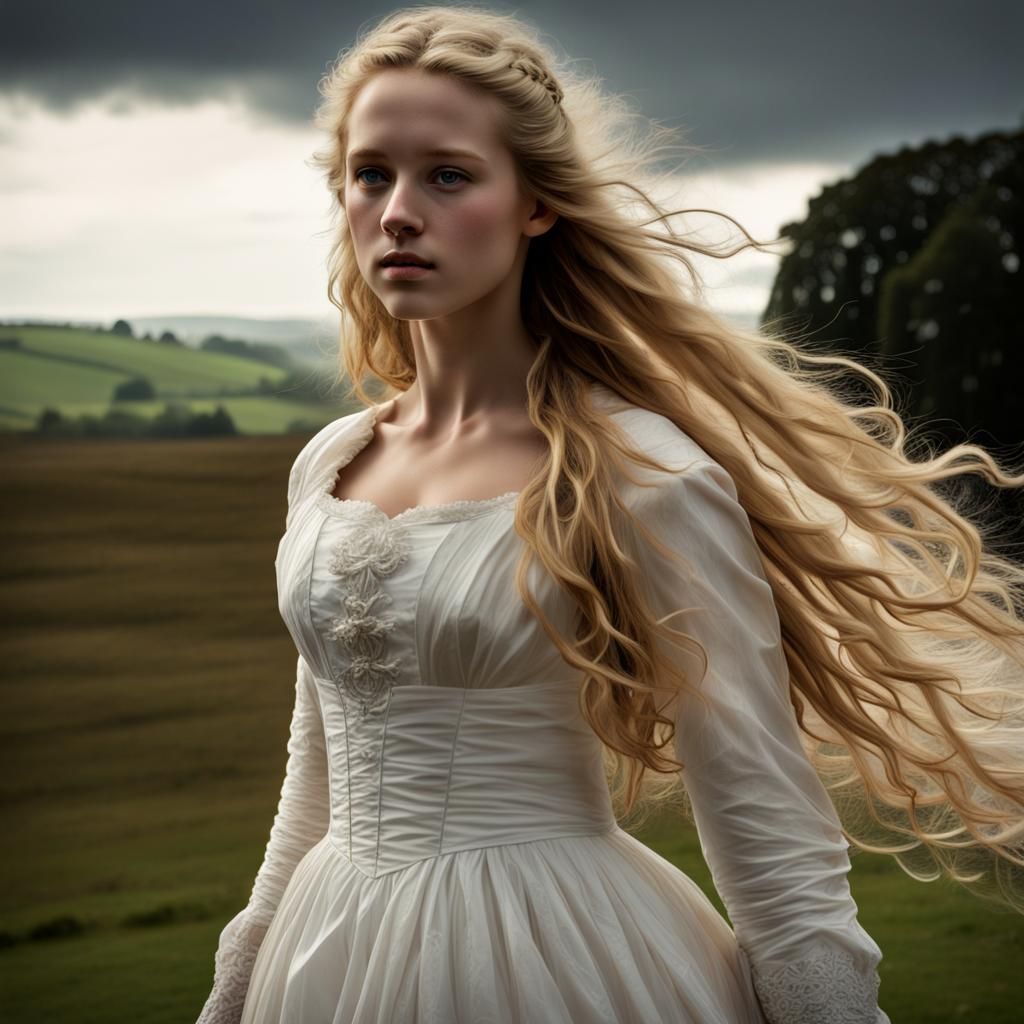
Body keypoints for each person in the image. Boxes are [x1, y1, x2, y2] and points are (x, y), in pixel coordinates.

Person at [196, 6, 1024, 1022]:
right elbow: (316, 773)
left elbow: (762, 818)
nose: (399, 211)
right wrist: (239, 978)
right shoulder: (330, 464)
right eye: (371, 175)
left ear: (536, 203)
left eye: (447, 175)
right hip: (324, 957)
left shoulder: (643, 474)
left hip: (551, 955)